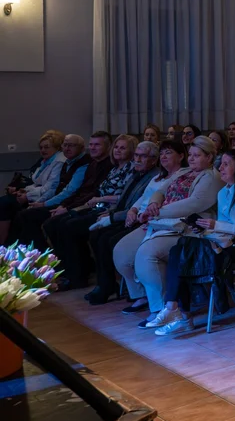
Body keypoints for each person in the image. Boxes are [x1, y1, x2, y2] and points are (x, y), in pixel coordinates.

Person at [112, 136, 223, 327]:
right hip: (160, 220)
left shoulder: (211, 177)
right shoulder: (185, 172)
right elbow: (160, 191)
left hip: (185, 228)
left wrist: (157, 212)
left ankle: (163, 309)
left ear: (210, 157)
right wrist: (155, 203)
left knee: (147, 255)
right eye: (191, 155)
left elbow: (194, 204)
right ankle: (144, 295)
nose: (192, 159)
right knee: (121, 253)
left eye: (197, 155)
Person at [152, 148, 235, 335]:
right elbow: (222, 225)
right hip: (224, 239)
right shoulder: (223, 193)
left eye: (227, 164)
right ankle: (177, 310)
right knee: (180, 249)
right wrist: (206, 227)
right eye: (221, 163)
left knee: (185, 251)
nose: (221, 167)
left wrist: (215, 224)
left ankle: (180, 313)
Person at [87, 140, 184, 306]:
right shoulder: (157, 177)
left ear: (181, 156)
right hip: (138, 216)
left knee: (110, 241)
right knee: (102, 238)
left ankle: (144, 295)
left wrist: (135, 214)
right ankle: (133, 291)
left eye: (168, 153)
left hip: (155, 220)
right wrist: (132, 210)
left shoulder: (180, 176)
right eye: (162, 153)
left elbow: (165, 203)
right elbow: (142, 198)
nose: (164, 157)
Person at [44, 134, 138, 289]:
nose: (118, 150)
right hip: (96, 206)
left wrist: (100, 199)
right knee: (57, 223)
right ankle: (69, 271)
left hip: (110, 209)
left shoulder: (131, 169)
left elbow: (125, 196)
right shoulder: (115, 168)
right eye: (116, 147)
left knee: (70, 226)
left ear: (131, 151)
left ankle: (78, 276)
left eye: (123, 148)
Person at [0, 131, 65, 245]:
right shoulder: (44, 161)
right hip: (34, 194)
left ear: (57, 148)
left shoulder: (59, 161)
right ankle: (6, 244)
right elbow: (36, 182)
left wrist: (27, 195)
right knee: (4, 202)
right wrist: (24, 190)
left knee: (5, 205)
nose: (43, 150)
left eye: (46, 147)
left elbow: (50, 187)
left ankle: (5, 245)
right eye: (41, 148)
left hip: (45, 197)